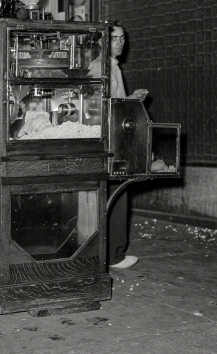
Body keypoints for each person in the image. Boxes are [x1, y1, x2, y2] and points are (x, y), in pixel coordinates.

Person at [88, 22, 148, 269]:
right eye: (115, 39)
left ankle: (113, 252)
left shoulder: (113, 67)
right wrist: (128, 100)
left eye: (123, 38)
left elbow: (113, 102)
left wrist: (130, 99)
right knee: (116, 193)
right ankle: (114, 254)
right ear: (103, 41)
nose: (121, 43)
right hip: (108, 142)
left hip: (116, 140)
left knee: (118, 193)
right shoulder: (98, 68)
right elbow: (96, 107)